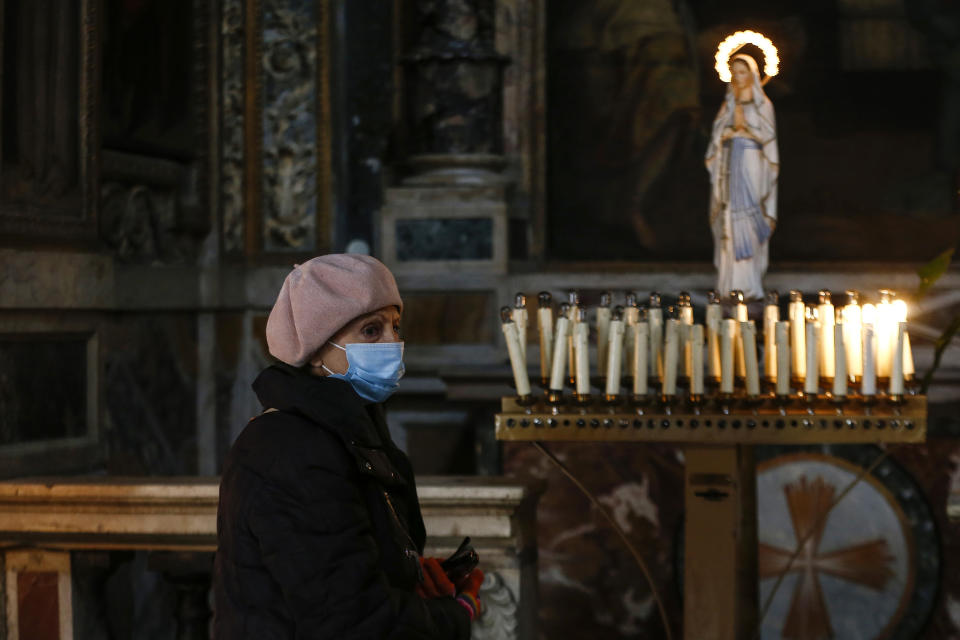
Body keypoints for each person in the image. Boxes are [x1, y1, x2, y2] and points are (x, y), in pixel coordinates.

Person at [213, 254, 484, 639]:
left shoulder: (346, 431)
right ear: (317, 349)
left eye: (395, 326)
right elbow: (353, 621)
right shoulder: (293, 449)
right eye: (371, 331)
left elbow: (348, 566)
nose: (394, 343)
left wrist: (408, 571)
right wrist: (455, 614)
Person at [705, 53, 779, 301]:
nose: (738, 77)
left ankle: (750, 284)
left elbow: (768, 140)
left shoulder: (763, 105)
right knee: (728, 220)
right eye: (734, 72)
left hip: (751, 163)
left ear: (753, 74)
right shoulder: (728, 104)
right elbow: (716, 139)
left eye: (742, 71)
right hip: (728, 165)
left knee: (749, 217)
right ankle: (729, 285)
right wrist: (727, 131)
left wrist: (745, 128)